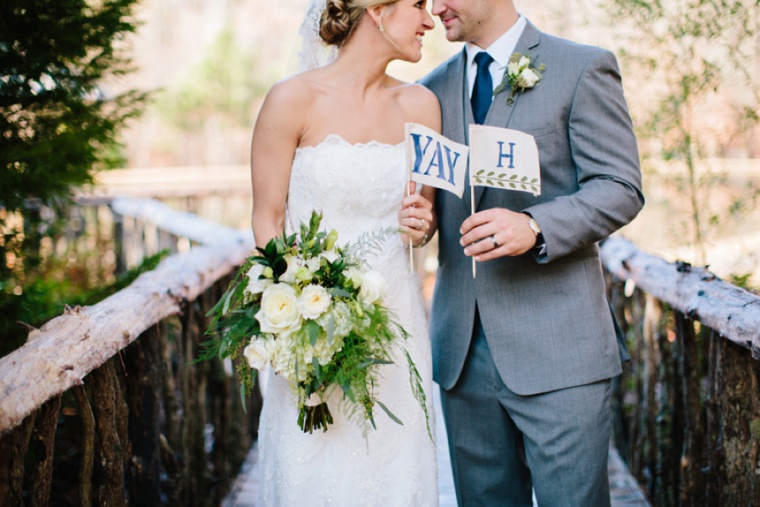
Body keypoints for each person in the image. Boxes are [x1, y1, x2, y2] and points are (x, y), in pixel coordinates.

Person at [419, 0, 645, 505]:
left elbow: (620, 187)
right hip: (461, 352)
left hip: (560, 348)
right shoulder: (429, 91)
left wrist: (535, 225)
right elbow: (432, 205)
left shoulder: (581, 67)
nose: (435, 8)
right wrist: (420, 223)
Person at [249, 0, 440, 505]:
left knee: (397, 470)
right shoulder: (292, 100)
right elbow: (267, 218)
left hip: (395, 325)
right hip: (310, 328)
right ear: (377, 10)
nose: (430, 19)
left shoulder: (422, 107)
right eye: (418, 5)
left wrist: (422, 225)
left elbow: (423, 218)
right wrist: (296, 308)